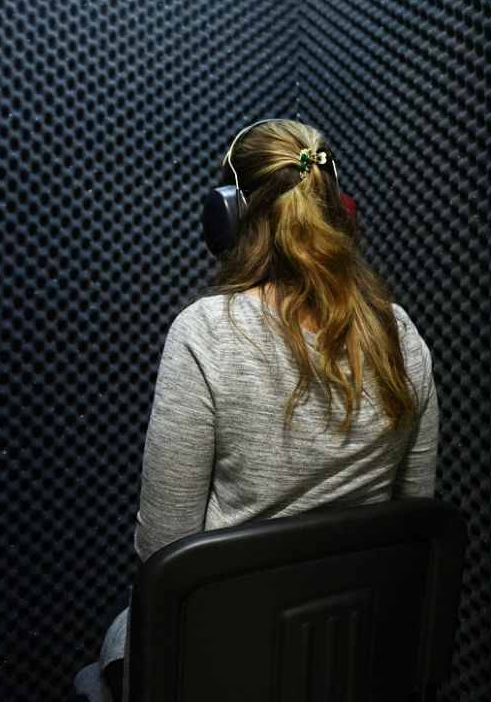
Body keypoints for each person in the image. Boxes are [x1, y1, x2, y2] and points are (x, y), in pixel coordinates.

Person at [98, 118, 439, 702]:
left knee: (117, 639)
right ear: (340, 210)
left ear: (227, 216)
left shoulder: (204, 332)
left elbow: (163, 554)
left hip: (220, 667)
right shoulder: (400, 333)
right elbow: (414, 525)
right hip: (356, 662)